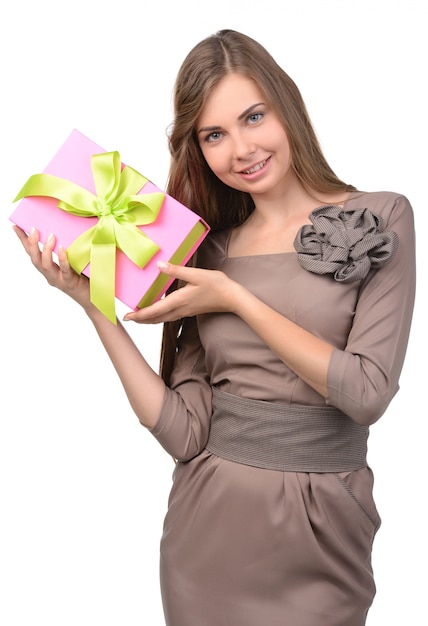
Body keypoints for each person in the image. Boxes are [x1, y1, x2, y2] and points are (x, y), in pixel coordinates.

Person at [13, 29, 416, 626]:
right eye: (215, 135)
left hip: (324, 532)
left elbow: (367, 394)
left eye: (254, 116)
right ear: (198, 148)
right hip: (207, 540)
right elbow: (183, 433)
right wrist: (94, 305)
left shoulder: (382, 216)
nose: (241, 149)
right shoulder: (206, 252)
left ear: (287, 106)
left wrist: (236, 298)